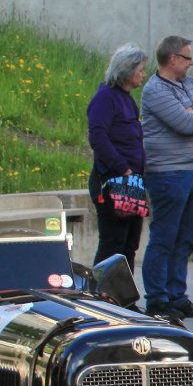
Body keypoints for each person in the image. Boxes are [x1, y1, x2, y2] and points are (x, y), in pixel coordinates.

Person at [141, 35, 193, 322]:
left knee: (186, 238)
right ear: (173, 59)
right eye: (187, 58)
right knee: (165, 237)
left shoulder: (189, 83)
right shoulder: (155, 90)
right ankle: (157, 299)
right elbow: (184, 124)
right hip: (167, 173)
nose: (192, 62)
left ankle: (177, 295)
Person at [86, 43, 148, 270]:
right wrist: (122, 168)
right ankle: (101, 291)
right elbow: (98, 137)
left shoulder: (127, 99)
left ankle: (124, 291)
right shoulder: (105, 98)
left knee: (129, 246)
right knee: (113, 244)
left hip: (132, 182)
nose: (143, 74)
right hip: (113, 181)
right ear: (127, 71)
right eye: (140, 70)